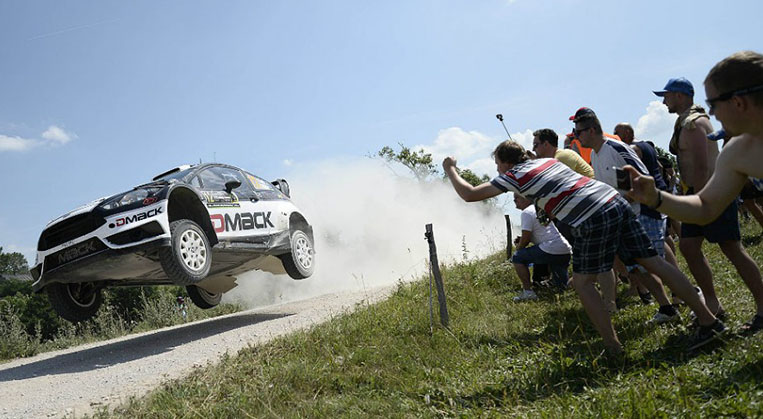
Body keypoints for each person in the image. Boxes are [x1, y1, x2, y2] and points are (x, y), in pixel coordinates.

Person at [443, 140, 724, 352]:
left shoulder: (515, 175)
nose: (497, 171)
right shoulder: (548, 162)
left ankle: (613, 348)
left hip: (590, 216)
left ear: (506, 163)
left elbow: (469, 195)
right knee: (655, 262)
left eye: (497, 165)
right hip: (613, 201)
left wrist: (451, 169)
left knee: (583, 283)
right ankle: (709, 321)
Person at [627, 51, 763, 333]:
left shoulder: (695, 124)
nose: (710, 112)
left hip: (703, 189)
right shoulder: (737, 152)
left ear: (738, 102)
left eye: (713, 103)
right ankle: (716, 303)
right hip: (701, 194)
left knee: (731, 249)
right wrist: (655, 198)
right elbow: (704, 206)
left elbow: (702, 169)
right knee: (690, 248)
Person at [573, 108, 679, 323]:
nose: (576, 138)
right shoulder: (595, 154)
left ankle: (690, 295)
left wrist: (625, 202)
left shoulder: (615, 148)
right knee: (638, 270)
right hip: (627, 218)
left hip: (644, 212)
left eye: (578, 133)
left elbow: (642, 177)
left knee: (654, 264)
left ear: (592, 130)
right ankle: (667, 307)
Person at [510, 193, 572, 301]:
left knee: (517, 257)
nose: (515, 203)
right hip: (564, 249)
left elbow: (526, 238)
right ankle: (575, 290)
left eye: (516, 199)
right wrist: (524, 240)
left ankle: (528, 292)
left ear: (525, 199)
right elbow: (542, 232)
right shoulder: (538, 209)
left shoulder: (526, 212)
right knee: (562, 287)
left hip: (551, 248)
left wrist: (519, 248)